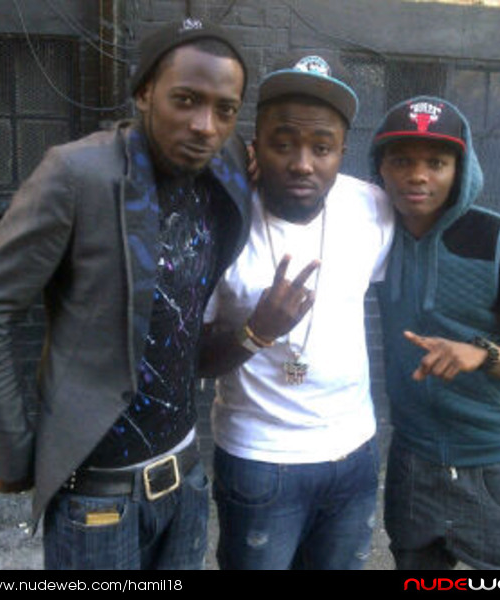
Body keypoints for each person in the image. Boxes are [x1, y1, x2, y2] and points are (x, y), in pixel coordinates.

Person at [0, 18, 251, 570]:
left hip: (187, 477)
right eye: (185, 100)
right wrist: (13, 453)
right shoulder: (77, 174)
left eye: (225, 110)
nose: (205, 125)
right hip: (98, 497)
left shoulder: (228, 164)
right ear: (144, 93)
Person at [199, 52, 394, 570]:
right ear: (255, 145)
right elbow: (192, 358)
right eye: (283, 144)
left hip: (355, 451)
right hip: (260, 460)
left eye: (321, 147)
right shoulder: (223, 218)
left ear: (342, 152)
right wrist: (255, 331)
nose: (303, 163)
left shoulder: (372, 207)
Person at [368, 95, 500, 570]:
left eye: (436, 162)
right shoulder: (370, 233)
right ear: (380, 167)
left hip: (493, 462)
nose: (418, 175)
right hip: (412, 458)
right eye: (401, 161)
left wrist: (483, 354)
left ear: (460, 169)